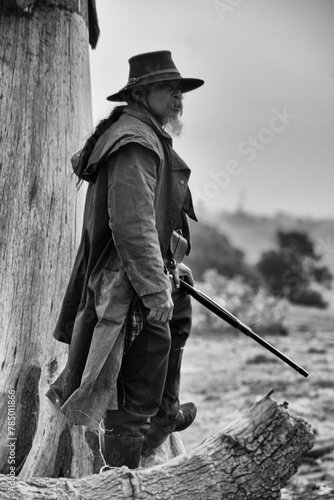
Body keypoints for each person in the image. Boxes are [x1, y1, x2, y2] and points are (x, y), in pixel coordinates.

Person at [46, 50, 204, 469]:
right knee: (134, 392)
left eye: (179, 91)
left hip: (137, 275)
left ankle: (165, 417)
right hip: (125, 284)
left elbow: (148, 216)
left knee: (176, 322)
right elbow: (132, 225)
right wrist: (155, 288)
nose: (177, 98)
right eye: (169, 90)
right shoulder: (134, 141)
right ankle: (123, 480)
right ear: (141, 93)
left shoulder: (142, 132)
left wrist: (171, 267)